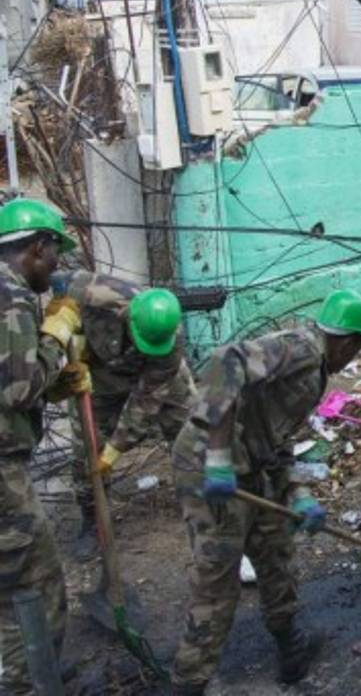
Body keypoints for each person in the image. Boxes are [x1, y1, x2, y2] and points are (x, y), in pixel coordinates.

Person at [169, 289, 361, 695]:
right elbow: (225, 360)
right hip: (207, 465)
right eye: (355, 350)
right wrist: (218, 457)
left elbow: (275, 434)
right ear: (350, 343)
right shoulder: (300, 350)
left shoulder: (314, 371)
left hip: (251, 466)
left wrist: (297, 492)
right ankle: (187, 683)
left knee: (274, 547)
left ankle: (290, 646)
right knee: (218, 580)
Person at [0, 198, 82, 695]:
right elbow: (18, 389)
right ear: (36, 247)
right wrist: (59, 334)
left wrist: (52, 373)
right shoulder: (8, 295)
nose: (57, 267)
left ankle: (32, 671)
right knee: (34, 583)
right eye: (55, 254)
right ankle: (27, 681)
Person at [55, 272, 196, 557]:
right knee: (87, 449)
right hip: (100, 373)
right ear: (129, 319)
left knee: (193, 434)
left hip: (155, 374)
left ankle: (200, 502)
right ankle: (95, 520)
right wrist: (66, 333)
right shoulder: (92, 294)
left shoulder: (170, 336)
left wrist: (115, 451)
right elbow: (54, 283)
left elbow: (146, 399)